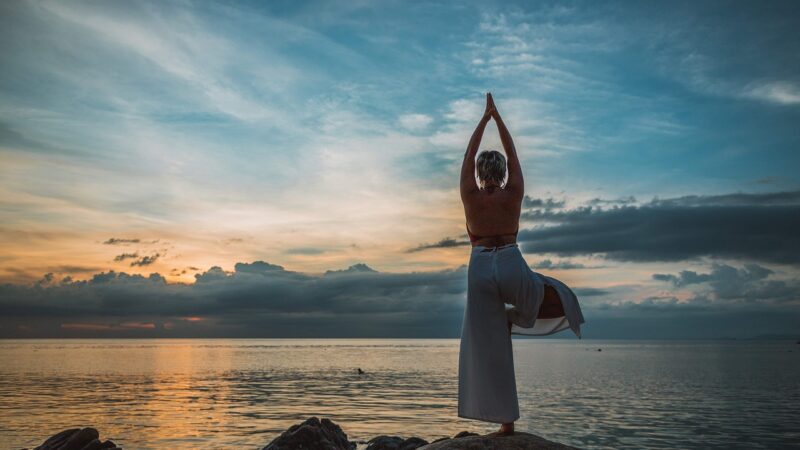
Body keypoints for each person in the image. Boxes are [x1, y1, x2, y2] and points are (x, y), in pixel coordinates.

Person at [457, 93, 585, 435]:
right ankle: (519, 318)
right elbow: (512, 155)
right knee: (535, 298)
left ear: (481, 172)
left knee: (489, 343)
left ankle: (505, 421)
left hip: (481, 264)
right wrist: (498, 118)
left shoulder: (470, 195)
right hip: (510, 260)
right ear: (501, 172)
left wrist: (482, 119)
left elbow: (468, 156)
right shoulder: (512, 192)